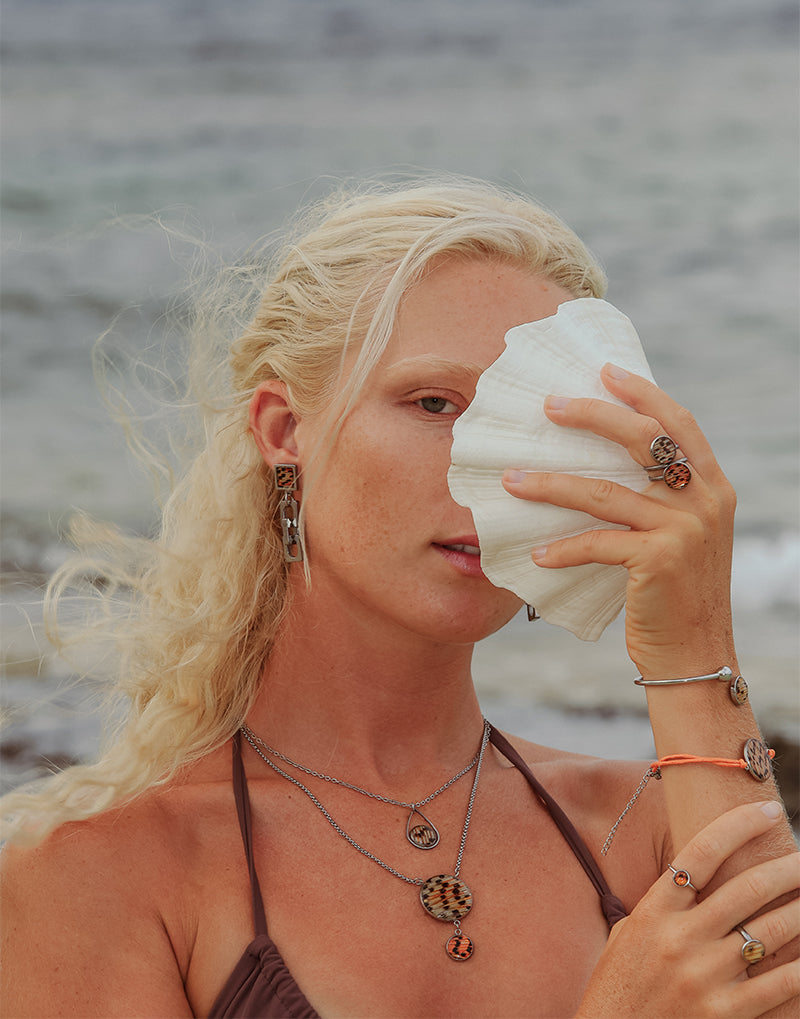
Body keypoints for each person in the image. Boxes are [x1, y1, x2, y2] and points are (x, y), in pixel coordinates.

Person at [1, 177, 797, 1019]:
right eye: (433, 403)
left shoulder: (636, 822)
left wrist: (692, 645)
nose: (486, 475)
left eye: (533, 429)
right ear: (283, 429)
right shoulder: (102, 878)